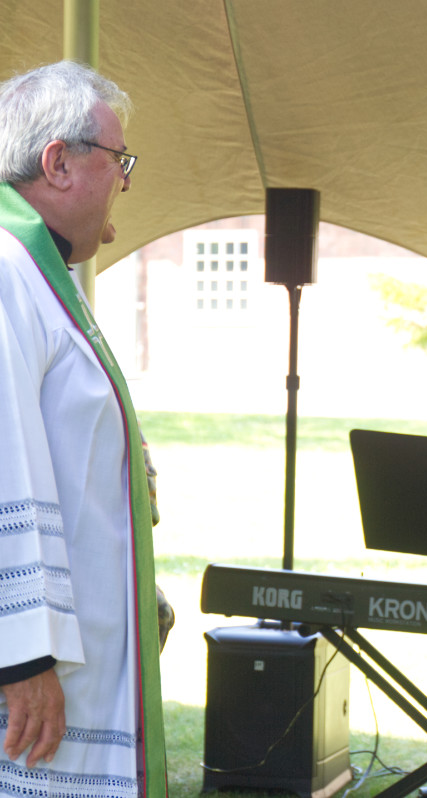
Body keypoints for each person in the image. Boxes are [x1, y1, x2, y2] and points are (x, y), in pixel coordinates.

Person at [0, 61, 166, 797]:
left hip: (79, 660)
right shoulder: (5, 271)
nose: (125, 181)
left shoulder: (43, 272)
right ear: (58, 162)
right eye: (117, 159)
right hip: (34, 678)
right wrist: (23, 657)